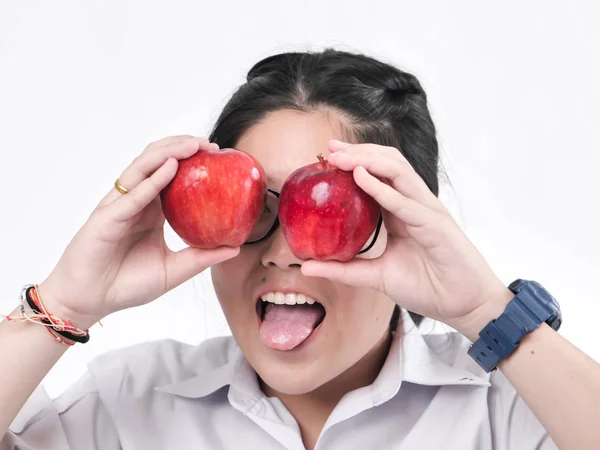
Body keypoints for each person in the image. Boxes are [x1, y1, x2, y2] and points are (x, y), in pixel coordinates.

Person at [1, 48, 599, 450]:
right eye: (257, 209)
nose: (285, 254)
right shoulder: (126, 404)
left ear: (407, 223)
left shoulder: (509, 410)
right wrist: (64, 304)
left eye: (327, 213)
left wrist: (484, 313)